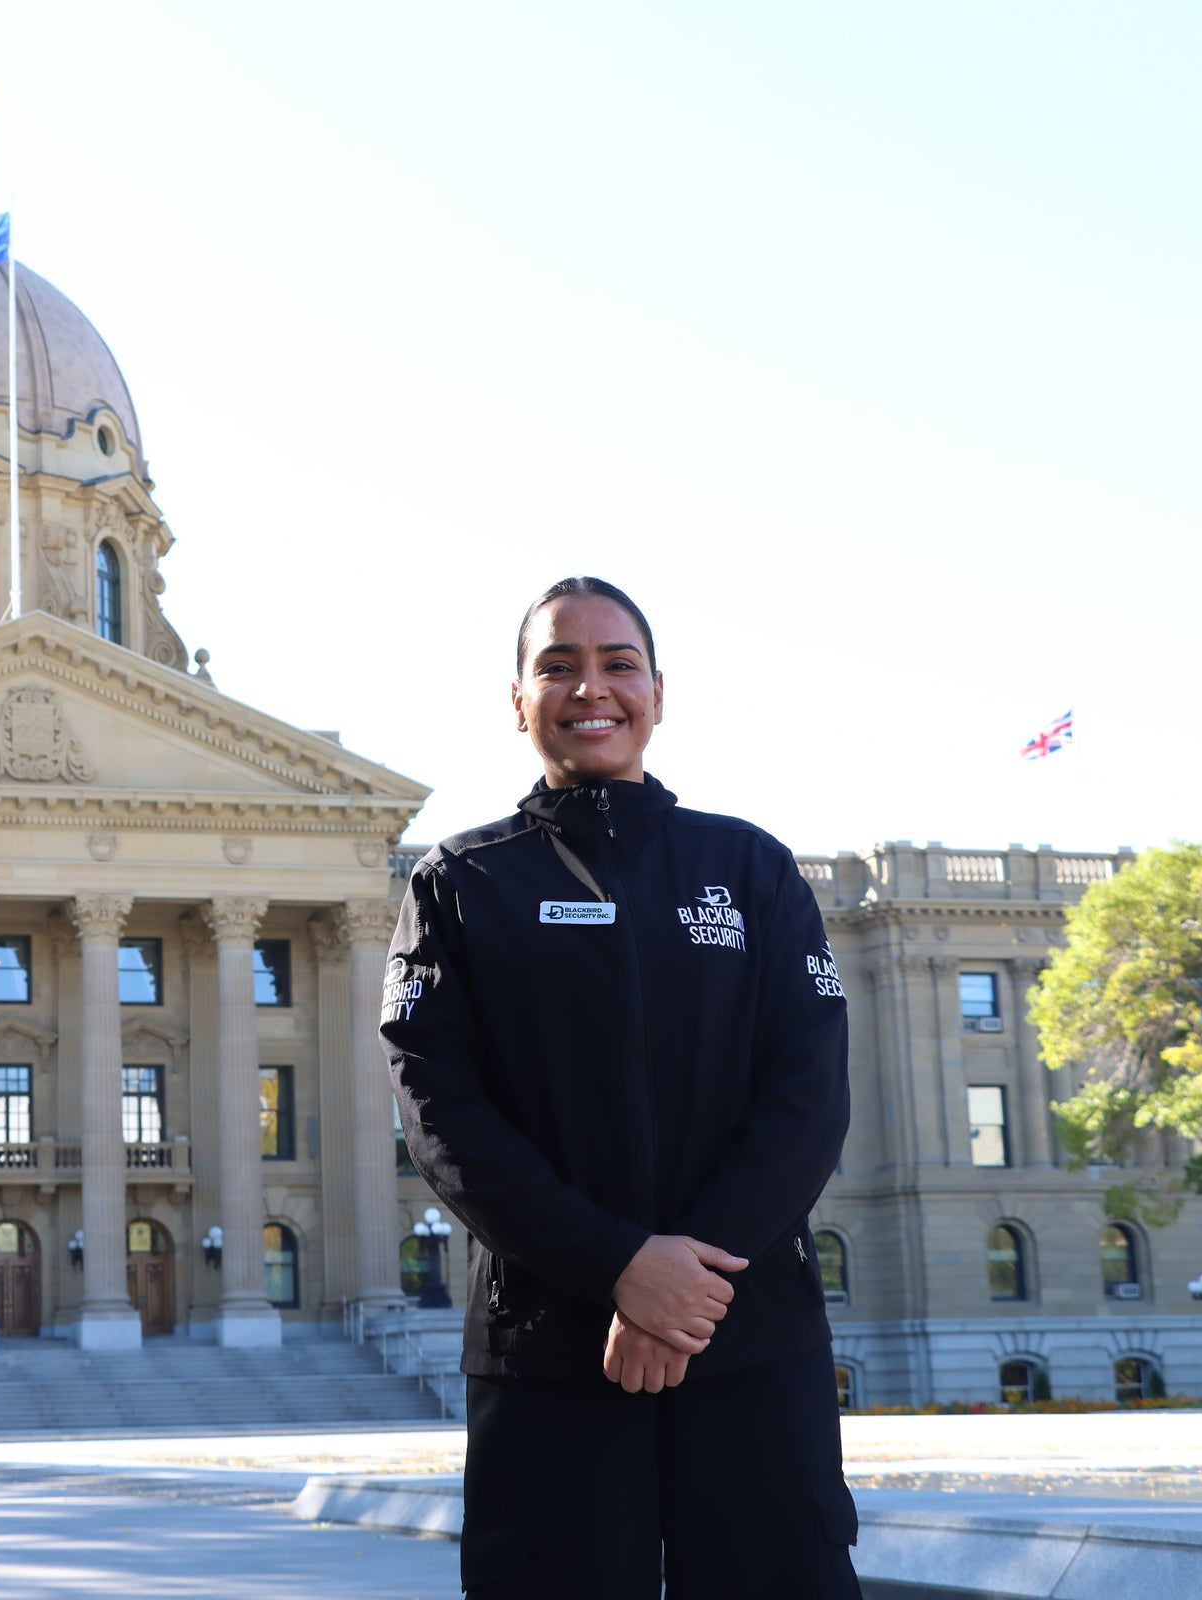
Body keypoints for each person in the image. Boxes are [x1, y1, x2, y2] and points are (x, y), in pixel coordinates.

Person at [383, 576, 859, 1598]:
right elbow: (440, 1115)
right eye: (557, 665)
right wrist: (616, 1265)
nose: (589, 687)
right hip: (552, 1352)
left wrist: (678, 1293)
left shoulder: (752, 867)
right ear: (518, 699)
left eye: (616, 663)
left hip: (747, 1339)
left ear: (657, 692)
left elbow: (809, 1097)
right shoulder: (459, 884)